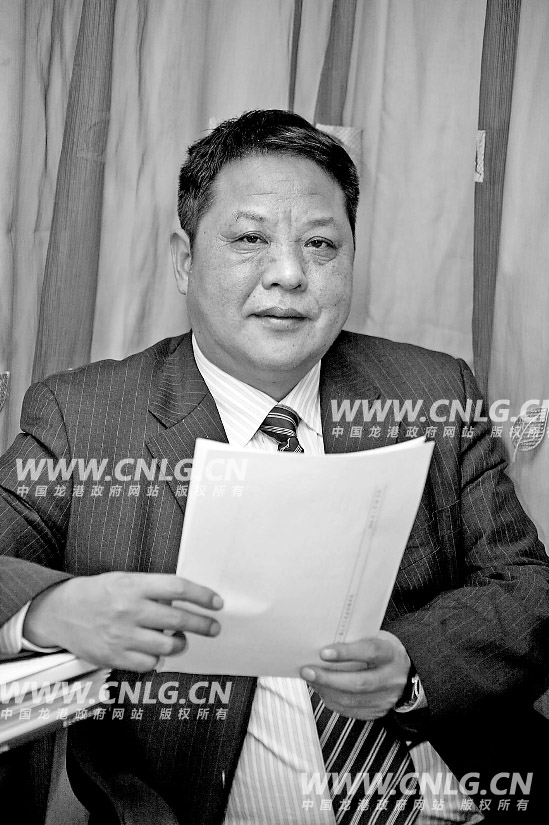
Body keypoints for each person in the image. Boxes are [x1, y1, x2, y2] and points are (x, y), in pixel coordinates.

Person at [0, 109, 548, 825]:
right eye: (250, 239)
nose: (288, 274)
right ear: (184, 259)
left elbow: (526, 585)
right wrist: (50, 611)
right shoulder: (84, 419)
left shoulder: (431, 391)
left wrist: (412, 667)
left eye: (320, 243)